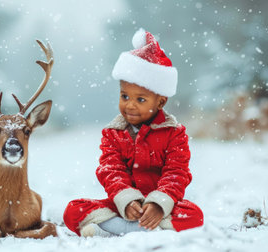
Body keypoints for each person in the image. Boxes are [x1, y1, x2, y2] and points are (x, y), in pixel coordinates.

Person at [63, 28, 203, 237]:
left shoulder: (174, 133)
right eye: (124, 96)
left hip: (160, 206)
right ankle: (137, 228)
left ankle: (116, 228)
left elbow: (177, 173)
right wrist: (126, 200)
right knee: (73, 209)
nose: (130, 105)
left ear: (161, 101)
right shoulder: (113, 133)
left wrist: (158, 203)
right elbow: (110, 169)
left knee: (194, 215)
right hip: (122, 206)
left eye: (140, 99)